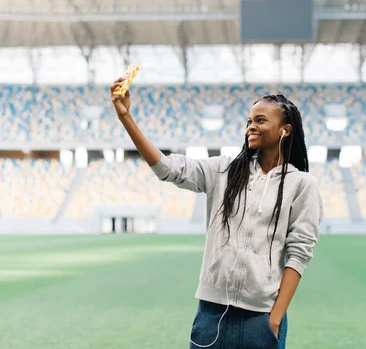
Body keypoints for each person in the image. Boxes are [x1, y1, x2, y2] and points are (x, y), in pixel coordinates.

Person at [110, 77, 323, 348]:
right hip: (211, 314)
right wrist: (126, 117)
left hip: (262, 317)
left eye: (260, 120)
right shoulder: (224, 170)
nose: (251, 128)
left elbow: (299, 253)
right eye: (249, 121)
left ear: (285, 130)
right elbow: (166, 167)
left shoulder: (302, 184)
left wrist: (275, 318)